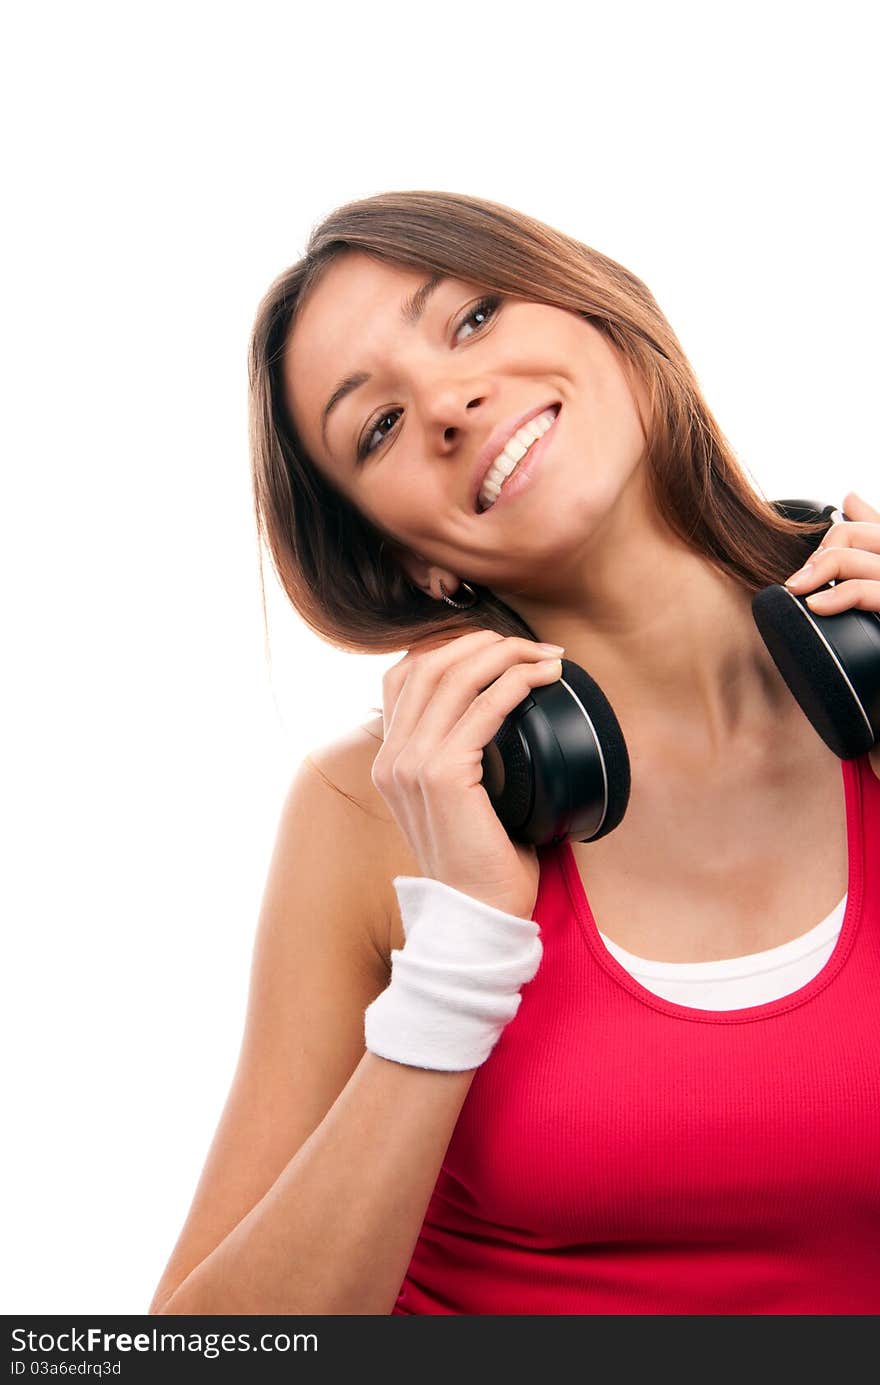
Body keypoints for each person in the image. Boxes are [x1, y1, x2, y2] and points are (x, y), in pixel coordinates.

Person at [148, 191, 880, 1316]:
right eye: (377, 428)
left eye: (474, 318)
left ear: (604, 319)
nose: (446, 401)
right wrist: (462, 955)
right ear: (408, 564)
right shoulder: (373, 809)